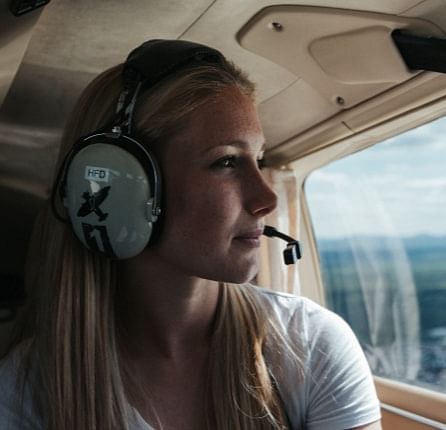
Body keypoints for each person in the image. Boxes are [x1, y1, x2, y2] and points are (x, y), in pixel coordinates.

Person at [0, 40, 382, 430]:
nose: (266, 198)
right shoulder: (25, 391)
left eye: (260, 159)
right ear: (122, 187)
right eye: (227, 161)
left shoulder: (310, 344)